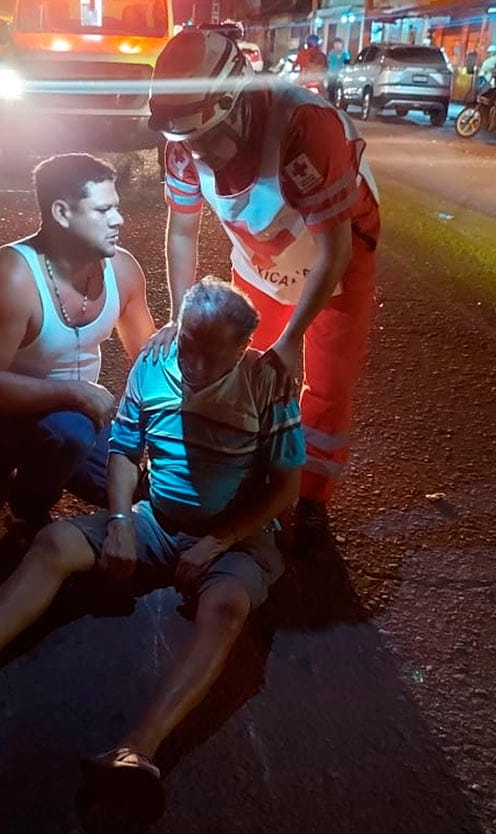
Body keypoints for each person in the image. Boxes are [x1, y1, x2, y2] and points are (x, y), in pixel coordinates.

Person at [0, 278, 304, 817]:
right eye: (188, 342)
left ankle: (138, 750)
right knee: (56, 540)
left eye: (210, 353)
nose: (193, 362)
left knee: (226, 609)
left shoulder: (268, 384)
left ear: (243, 348)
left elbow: (283, 488)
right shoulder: (157, 360)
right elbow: (126, 449)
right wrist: (123, 520)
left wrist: (217, 543)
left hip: (235, 538)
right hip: (159, 518)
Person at [148, 29, 381, 557]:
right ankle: (250, 478)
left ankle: (313, 502)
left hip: (334, 262)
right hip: (261, 257)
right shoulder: (183, 146)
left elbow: (335, 251)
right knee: (245, 370)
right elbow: (182, 231)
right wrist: (181, 317)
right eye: (188, 144)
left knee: (325, 385)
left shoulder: (304, 128)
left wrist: (294, 337)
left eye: (209, 140)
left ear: (237, 107)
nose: (200, 156)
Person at [0, 154, 154, 533]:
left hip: (73, 411)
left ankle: (21, 455)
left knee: (134, 492)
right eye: (103, 210)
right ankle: (26, 509)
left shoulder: (123, 270)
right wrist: (75, 393)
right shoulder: (11, 277)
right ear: (62, 213)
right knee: (69, 434)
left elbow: (149, 358)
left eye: (117, 208)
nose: (118, 220)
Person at [326, 37, 350, 102]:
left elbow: (347, 62)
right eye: (335, 44)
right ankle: (331, 100)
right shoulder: (331, 52)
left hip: (340, 73)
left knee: (339, 87)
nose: (336, 45)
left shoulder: (344, 53)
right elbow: (328, 62)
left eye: (338, 44)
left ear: (341, 45)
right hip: (331, 73)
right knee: (330, 87)